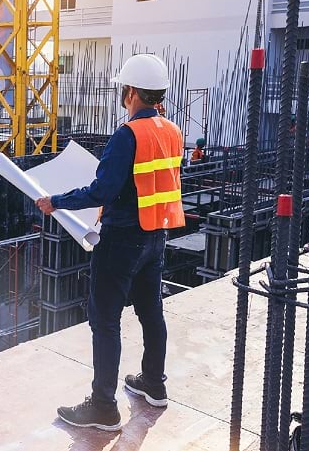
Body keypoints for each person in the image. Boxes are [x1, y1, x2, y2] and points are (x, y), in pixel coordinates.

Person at [36, 53, 185, 432]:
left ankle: (103, 406)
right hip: (156, 236)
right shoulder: (171, 131)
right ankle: (154, 383)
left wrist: (56, 201)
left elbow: (104, 189)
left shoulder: (127, 135)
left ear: (131, 92)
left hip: (121, 240)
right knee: (151, 311)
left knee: (105, 321)